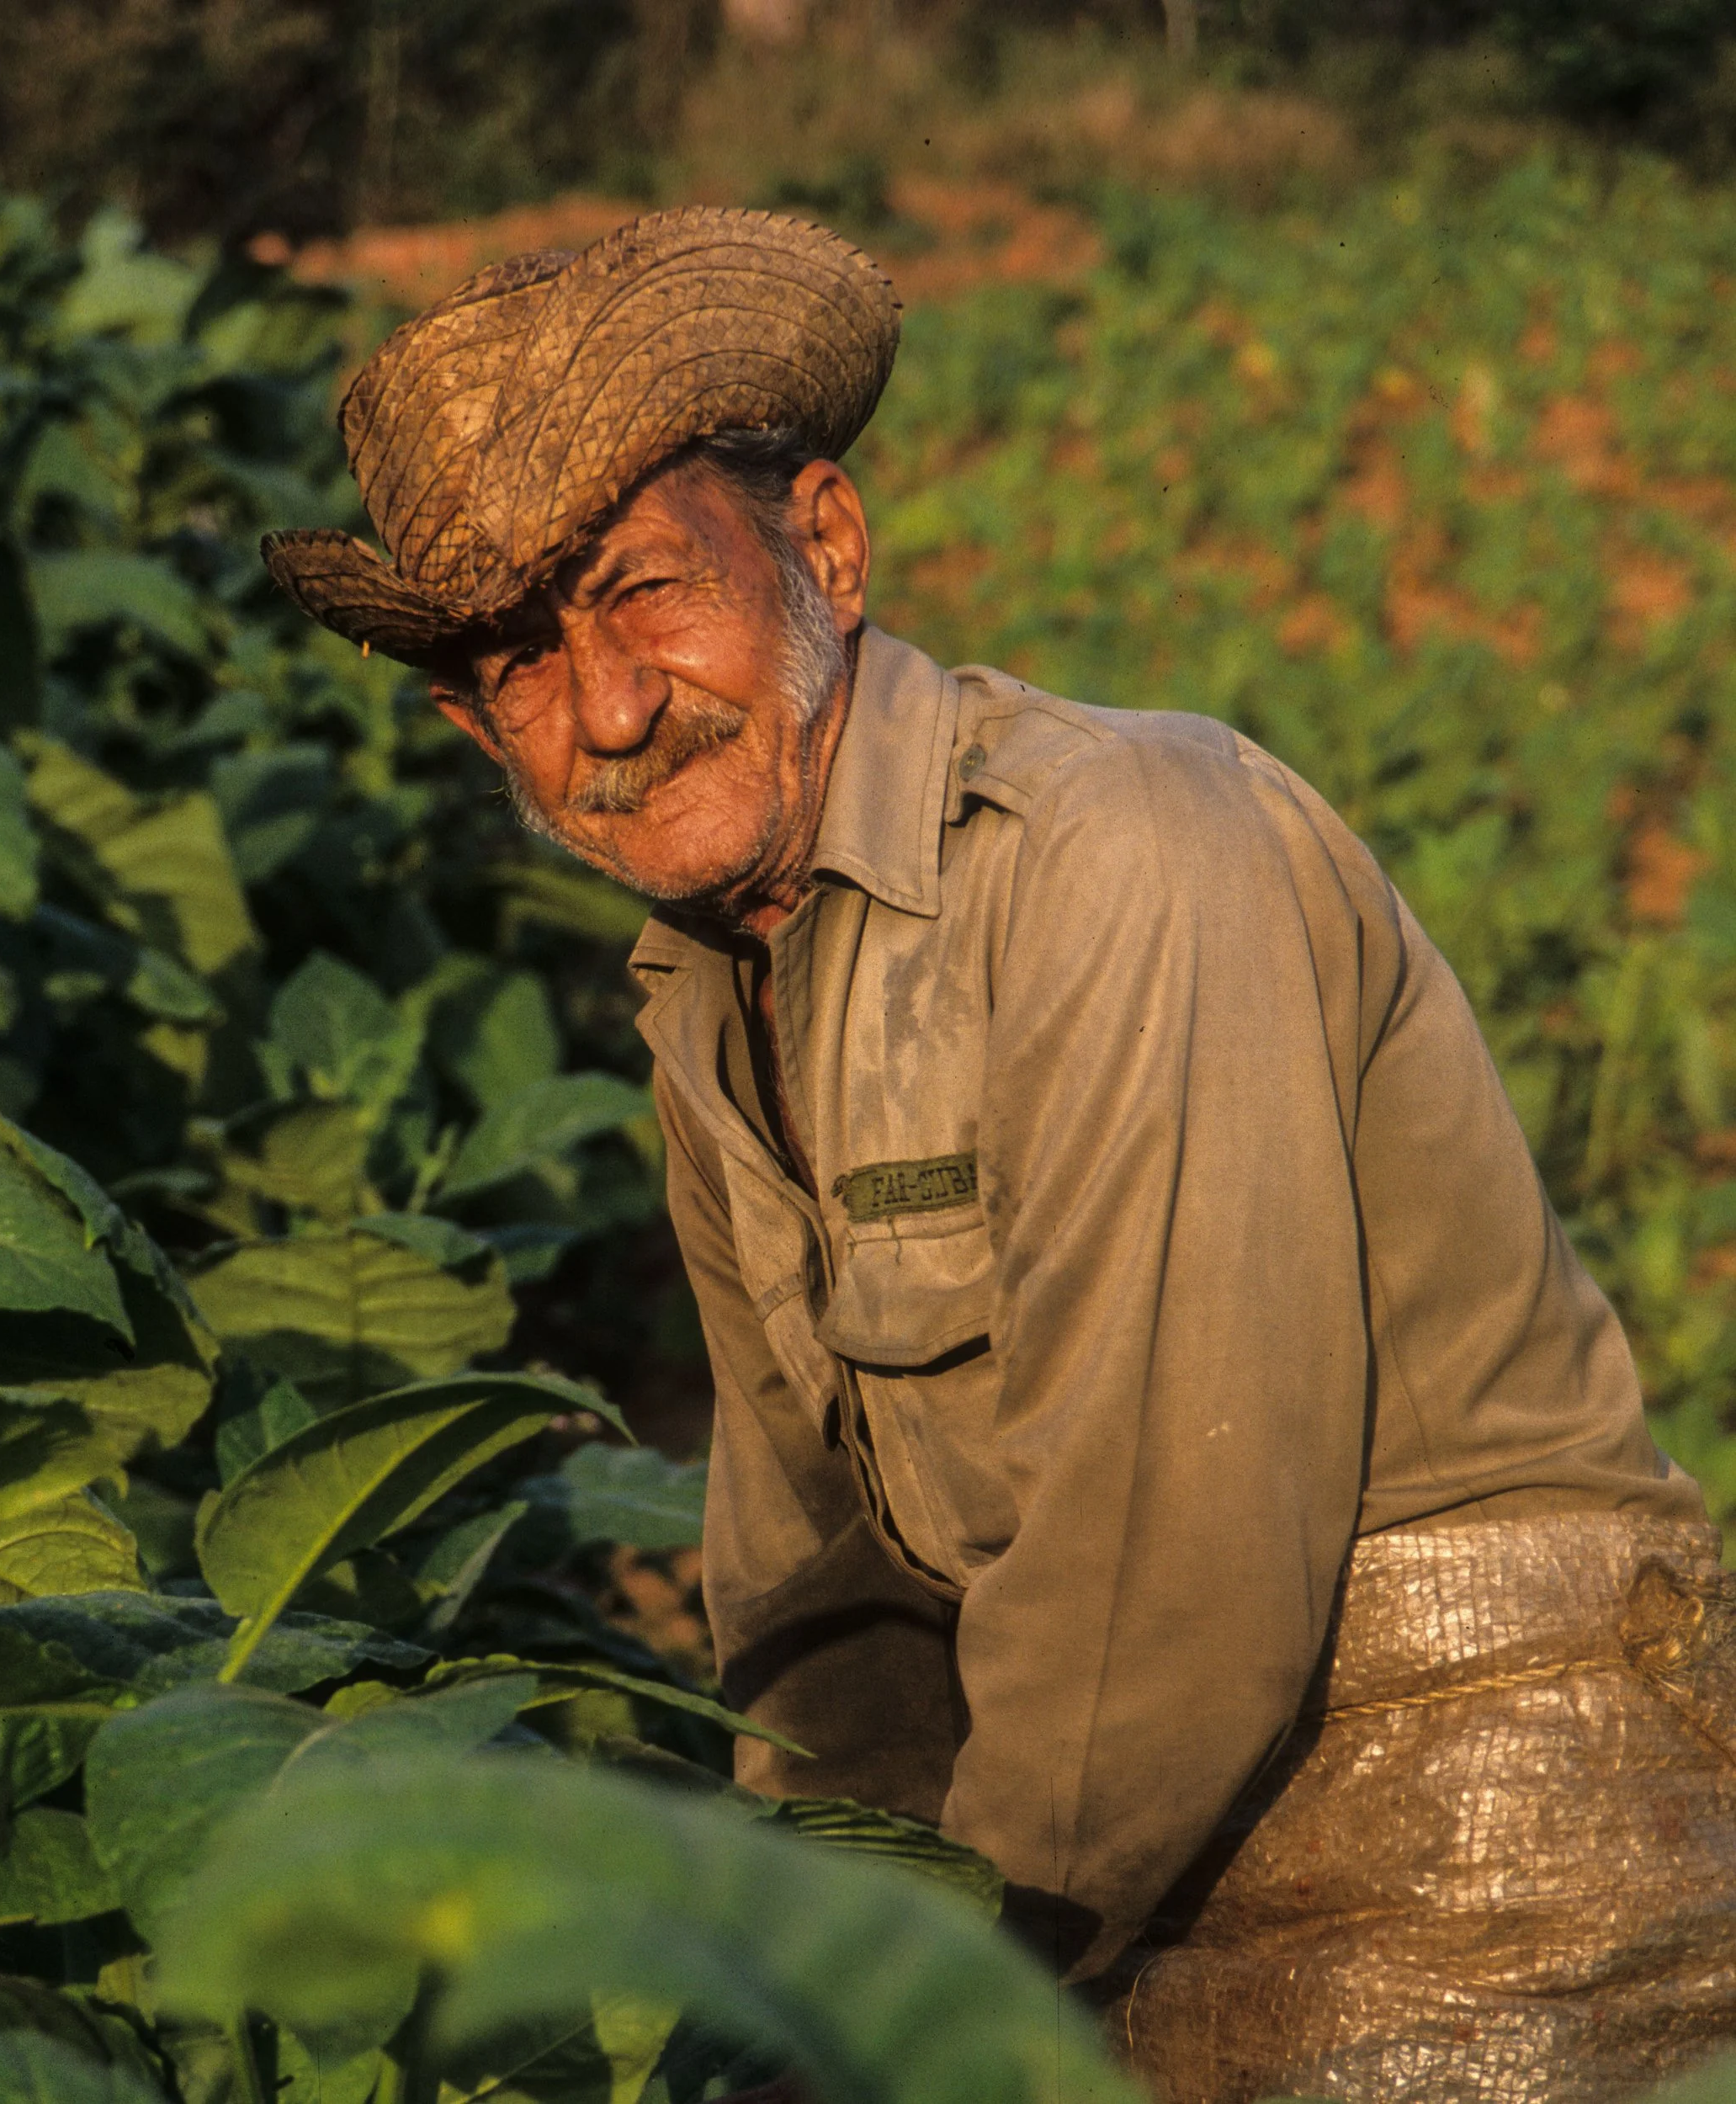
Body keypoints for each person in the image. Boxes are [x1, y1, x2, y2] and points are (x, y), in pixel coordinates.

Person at [263, 206, 1736, 2102]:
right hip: (1141, 1844)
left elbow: (1172, 1563)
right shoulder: (711, 987)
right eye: (518, 666)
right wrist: (791, 1952)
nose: (605, 713)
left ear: (828, 546)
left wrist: (898, 2005)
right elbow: (812, 1596)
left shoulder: (1118, 849)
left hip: (1472, 1815)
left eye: (640, 592)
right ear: (473, 723)